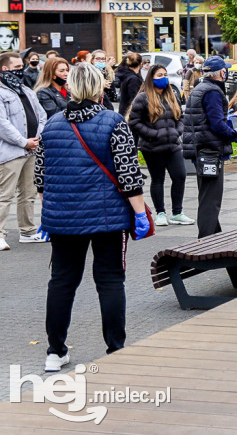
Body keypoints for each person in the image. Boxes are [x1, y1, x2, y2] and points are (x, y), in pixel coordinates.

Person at [35, 63, 148, 372]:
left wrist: (50, 211)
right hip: (107, 217)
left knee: (61, 282)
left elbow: (40, 177)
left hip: (62, 219)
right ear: (100, 89)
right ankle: (115, 349)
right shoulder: (113, 122)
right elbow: (129, 175)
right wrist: (141, 214)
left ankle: (55, 351)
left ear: (69, 88)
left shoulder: (53, 124)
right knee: (110, 281)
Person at [182, 56, 237, 237]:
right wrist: (234, 134)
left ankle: (215, 239)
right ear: (222, 73)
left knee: (208, 196)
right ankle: (205, 244)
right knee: (211, 200)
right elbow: (216, 124)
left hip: (200, 147)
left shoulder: (200, 88)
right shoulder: (213, 92)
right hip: (209, 149)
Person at [128, 63, 193, 226]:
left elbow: (181, 118)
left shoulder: (172, 95)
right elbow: (134, 122)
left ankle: (177, 212)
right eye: (159, 75)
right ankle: (160, 213)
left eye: (165, 74)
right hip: (152, 147)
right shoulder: (142, 98)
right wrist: (153, 135)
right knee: (158, 179)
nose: (164, 78)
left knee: (180, 176)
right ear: (151, 78)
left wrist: (177, 131)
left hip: (173, 144)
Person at [0, 52, 46, 251]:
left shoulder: (25, 89)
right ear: (4, 69)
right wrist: (23, 141)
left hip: (31, 150)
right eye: (17, 67)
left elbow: (41, 115)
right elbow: (2, 124)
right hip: (11, 151)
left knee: (28, 194)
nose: (21, 70)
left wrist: (37, 138)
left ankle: (27, 231)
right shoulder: (1, 92)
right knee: (5, 194)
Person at [34, 57, 70, 121]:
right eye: (61, 71)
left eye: (67, 70)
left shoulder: (69, 91)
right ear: (51, 74)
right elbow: (55, 116)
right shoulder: (43, 93)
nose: (66, 74)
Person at [115, 52, 143, 118]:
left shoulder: (126, 74)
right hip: (130, 113)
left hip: (125, 111)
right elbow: (134, 98)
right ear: (140, 64)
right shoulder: (133, 79)